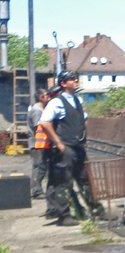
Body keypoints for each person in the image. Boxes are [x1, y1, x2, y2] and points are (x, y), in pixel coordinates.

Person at [40, 72, 95, 224]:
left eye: (76, 78)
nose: (76, 80)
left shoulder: (78, 100)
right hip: (65, 148)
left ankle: (95, 210)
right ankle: (64, 216)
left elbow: (83, 120)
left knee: (85, 179)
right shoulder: (56, 102)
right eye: (72, 79)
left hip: (78, 146)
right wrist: (58, 142)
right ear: (64, 83)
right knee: (63, 182)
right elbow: (45, 122)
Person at [27, 88, 51, 198]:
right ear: (41, 98)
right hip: (37, 143)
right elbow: (39, 127)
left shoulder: (39, 109)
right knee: (38, 166)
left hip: (39, 143)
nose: (48, 97)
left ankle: (36, 189)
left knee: (40, 166)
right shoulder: (37, 110)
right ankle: (36, 191)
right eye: (46, 95)